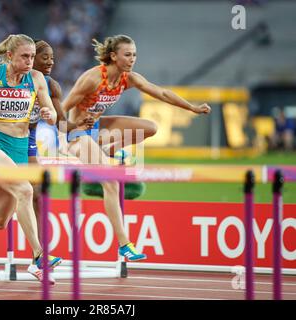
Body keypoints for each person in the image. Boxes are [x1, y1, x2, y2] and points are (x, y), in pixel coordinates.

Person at [0, 39, 94, 282]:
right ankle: (39, 256)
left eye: (32, 57)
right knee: (25, 190)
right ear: (10, 55)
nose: (30, 62)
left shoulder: (36, 79)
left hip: (20, 151)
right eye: (25, 57)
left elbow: (54, 117)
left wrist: (48, 114)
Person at [62, 34, 211, 261]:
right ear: (113, 56)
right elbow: (59, 114)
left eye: (135, 55)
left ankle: (106, 149)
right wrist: (76, 125)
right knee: (111, 180)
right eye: (128, 55)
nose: (133, 59)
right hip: (77, 134)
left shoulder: (127, 78)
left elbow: (161, 92)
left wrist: (191, 107)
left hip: (98, 129)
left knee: (149, 127)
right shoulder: (91, 79)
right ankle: (124, 244)